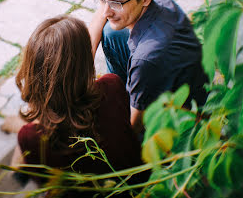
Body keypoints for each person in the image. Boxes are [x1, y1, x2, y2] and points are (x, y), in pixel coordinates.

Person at [9, 15, 146, 197]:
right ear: (85, 63)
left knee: (22, 147)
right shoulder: (111, 86)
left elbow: (47, 183)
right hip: (140, 184)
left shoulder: (31, 137)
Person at [89, 0, 208, 134]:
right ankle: (122, 95)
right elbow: (103, 14)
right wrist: (86, 59)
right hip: (172, 74)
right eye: (101, 0)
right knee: (111, 32)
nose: (106, 11)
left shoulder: (145, 59)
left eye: (116, 3)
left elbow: (134, 127)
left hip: (179, 114)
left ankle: (126, 99)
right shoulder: (163, 2)